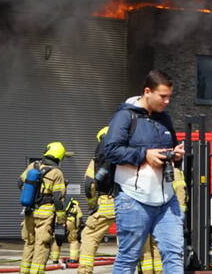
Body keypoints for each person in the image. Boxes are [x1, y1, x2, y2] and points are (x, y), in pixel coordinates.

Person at [104, 70, 186, 274]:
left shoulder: (165, 119)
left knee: (174, 255)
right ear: (147, 91)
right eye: (163, 96)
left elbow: (171, 147)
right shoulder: (125, 116)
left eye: (169, 97)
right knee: (128, 259)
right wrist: (144, 155)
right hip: (133, 199)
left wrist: (176, 155)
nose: (167, 101)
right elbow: (111, 150)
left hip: (167, 200)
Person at [18, 142, 67, 274]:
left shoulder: (33, 166)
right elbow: (58, 198)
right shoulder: (57, 173)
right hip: (44, 215)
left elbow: (19, 183)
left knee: (29, 244)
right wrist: (61, 219)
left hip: (29, 212)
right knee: (42, 246)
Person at [77, 127, 114, 274]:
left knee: (89, 236)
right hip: (128, 203)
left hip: (106, 202)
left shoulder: (97, 161)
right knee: (138, 239)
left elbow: (89, 184)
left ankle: (85, 271)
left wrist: (92, 205)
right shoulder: (126, 155)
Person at [136, 169, 187, 274]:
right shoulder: (174, 171)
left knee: (145, 251)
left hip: (144, 214)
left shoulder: (142, 170)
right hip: (161, 216)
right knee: (158, 249)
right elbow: (180, 192)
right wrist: (179, 215)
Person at [50, 197, 82, 264]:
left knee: (57, 240)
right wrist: (78, 227)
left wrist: (53, 227)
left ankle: (55, 259)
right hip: (70, 223)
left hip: (59, 223)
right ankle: (73, 259)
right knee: (73, 241)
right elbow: (79, 216)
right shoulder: (75, 205)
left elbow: (52, 215)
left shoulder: (58, 204)